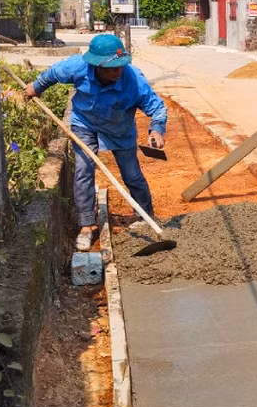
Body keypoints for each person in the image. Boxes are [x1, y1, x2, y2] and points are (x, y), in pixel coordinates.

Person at [24, 34, 167, 251]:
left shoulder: (134, 80)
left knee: (132, 175)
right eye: (112, 69)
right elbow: (52, 74)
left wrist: (156, 129)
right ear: (96, 66)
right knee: (83, 169)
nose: (118, 72)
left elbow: (157, 108)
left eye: (121, 66)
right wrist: (37, 87)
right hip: (85, 124)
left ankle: (145, 216)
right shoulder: (77, 67)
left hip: (121, 130)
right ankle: (86, 225)